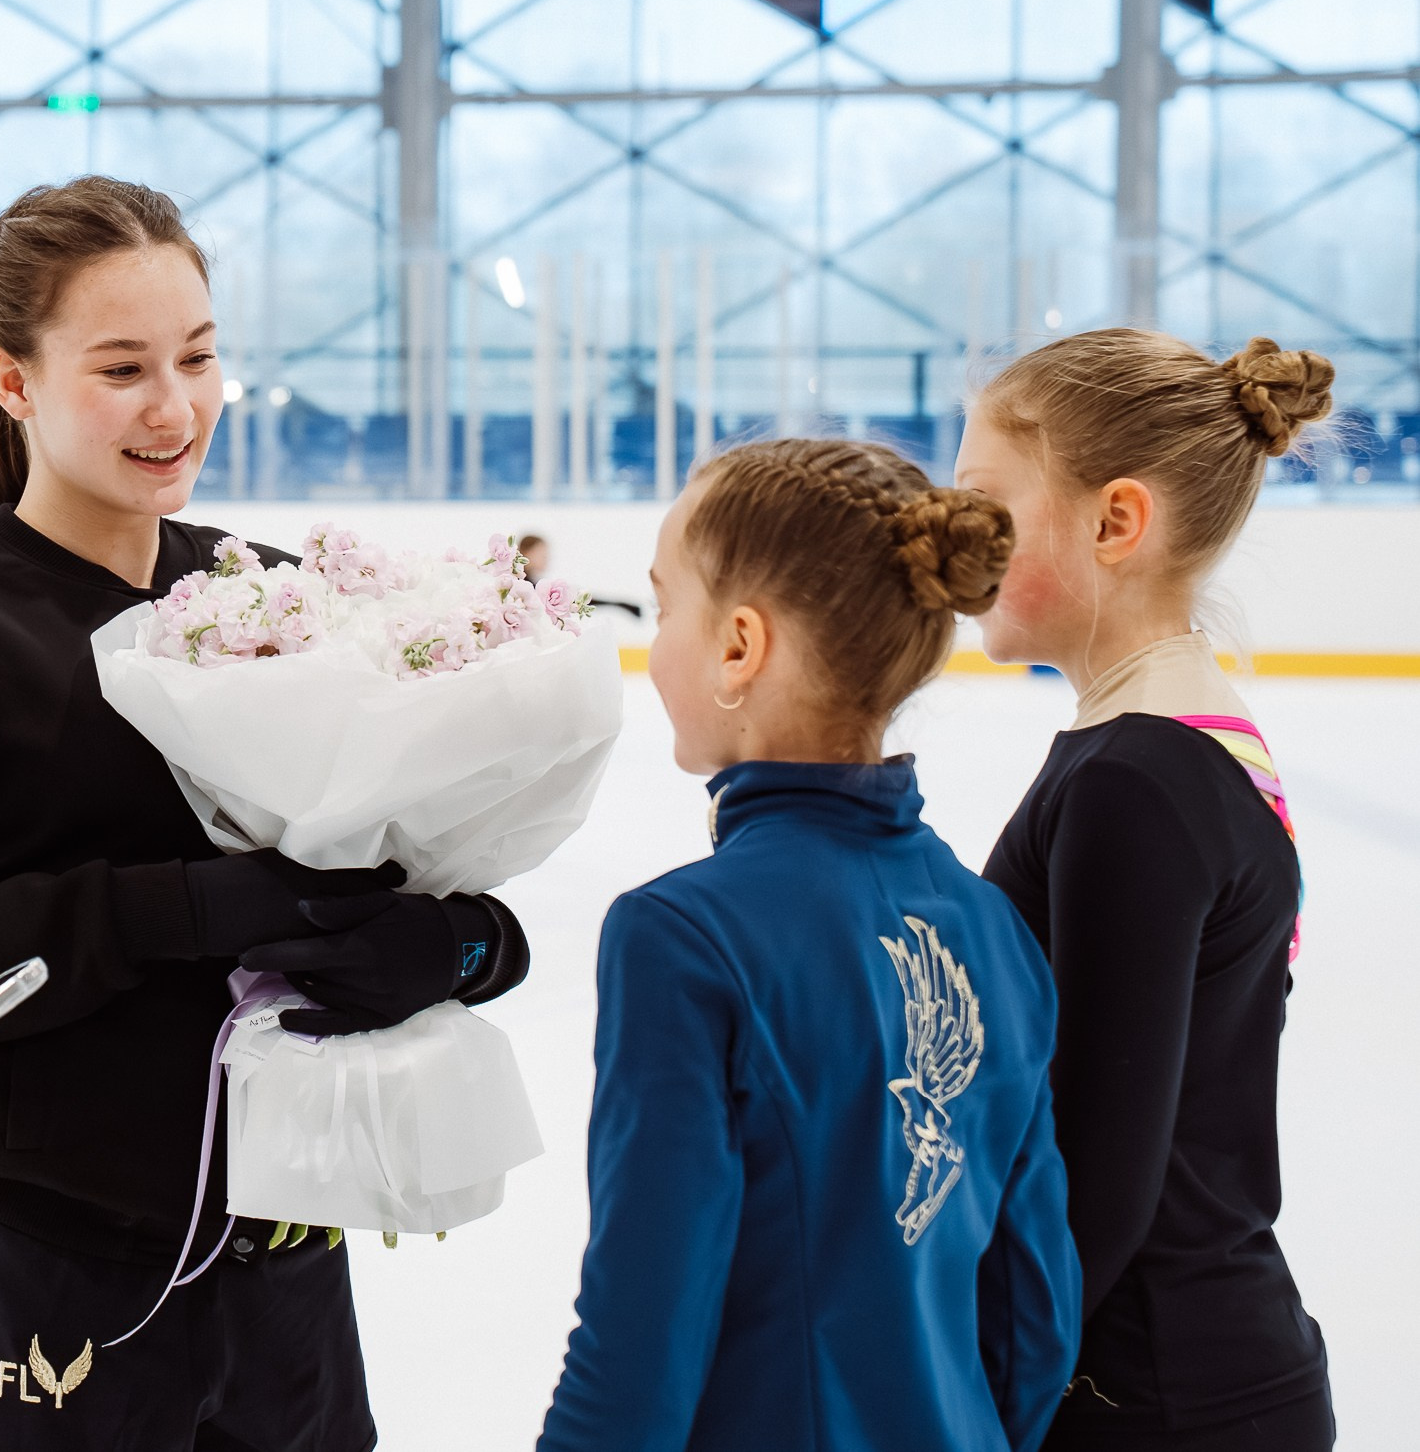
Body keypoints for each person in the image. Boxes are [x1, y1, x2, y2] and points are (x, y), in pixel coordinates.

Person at [0, 176, 529, 1452]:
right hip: (51, 1284)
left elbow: (428, 875)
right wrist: (170, 911)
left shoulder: (272, 600)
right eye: (122, 367)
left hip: (288, 1281)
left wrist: (458, 944)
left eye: (197, 356)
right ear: (13, 382)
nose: (174, 406)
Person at [539, 438, 1080, 1452]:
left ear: (739, 643)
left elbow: (641, 1337)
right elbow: (1033, 1316)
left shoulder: (682, 938)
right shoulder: (989, 923)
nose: (654, 648)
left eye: (664, 610)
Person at [957, 331, 1336, 1451]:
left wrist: (961, 1386)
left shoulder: (1135, 776)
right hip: (1180, 1365)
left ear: (1115, 522)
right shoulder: (1166, 742)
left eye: (986, 506)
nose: (953, 537)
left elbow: (1098, 1175)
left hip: (1152, 1391)